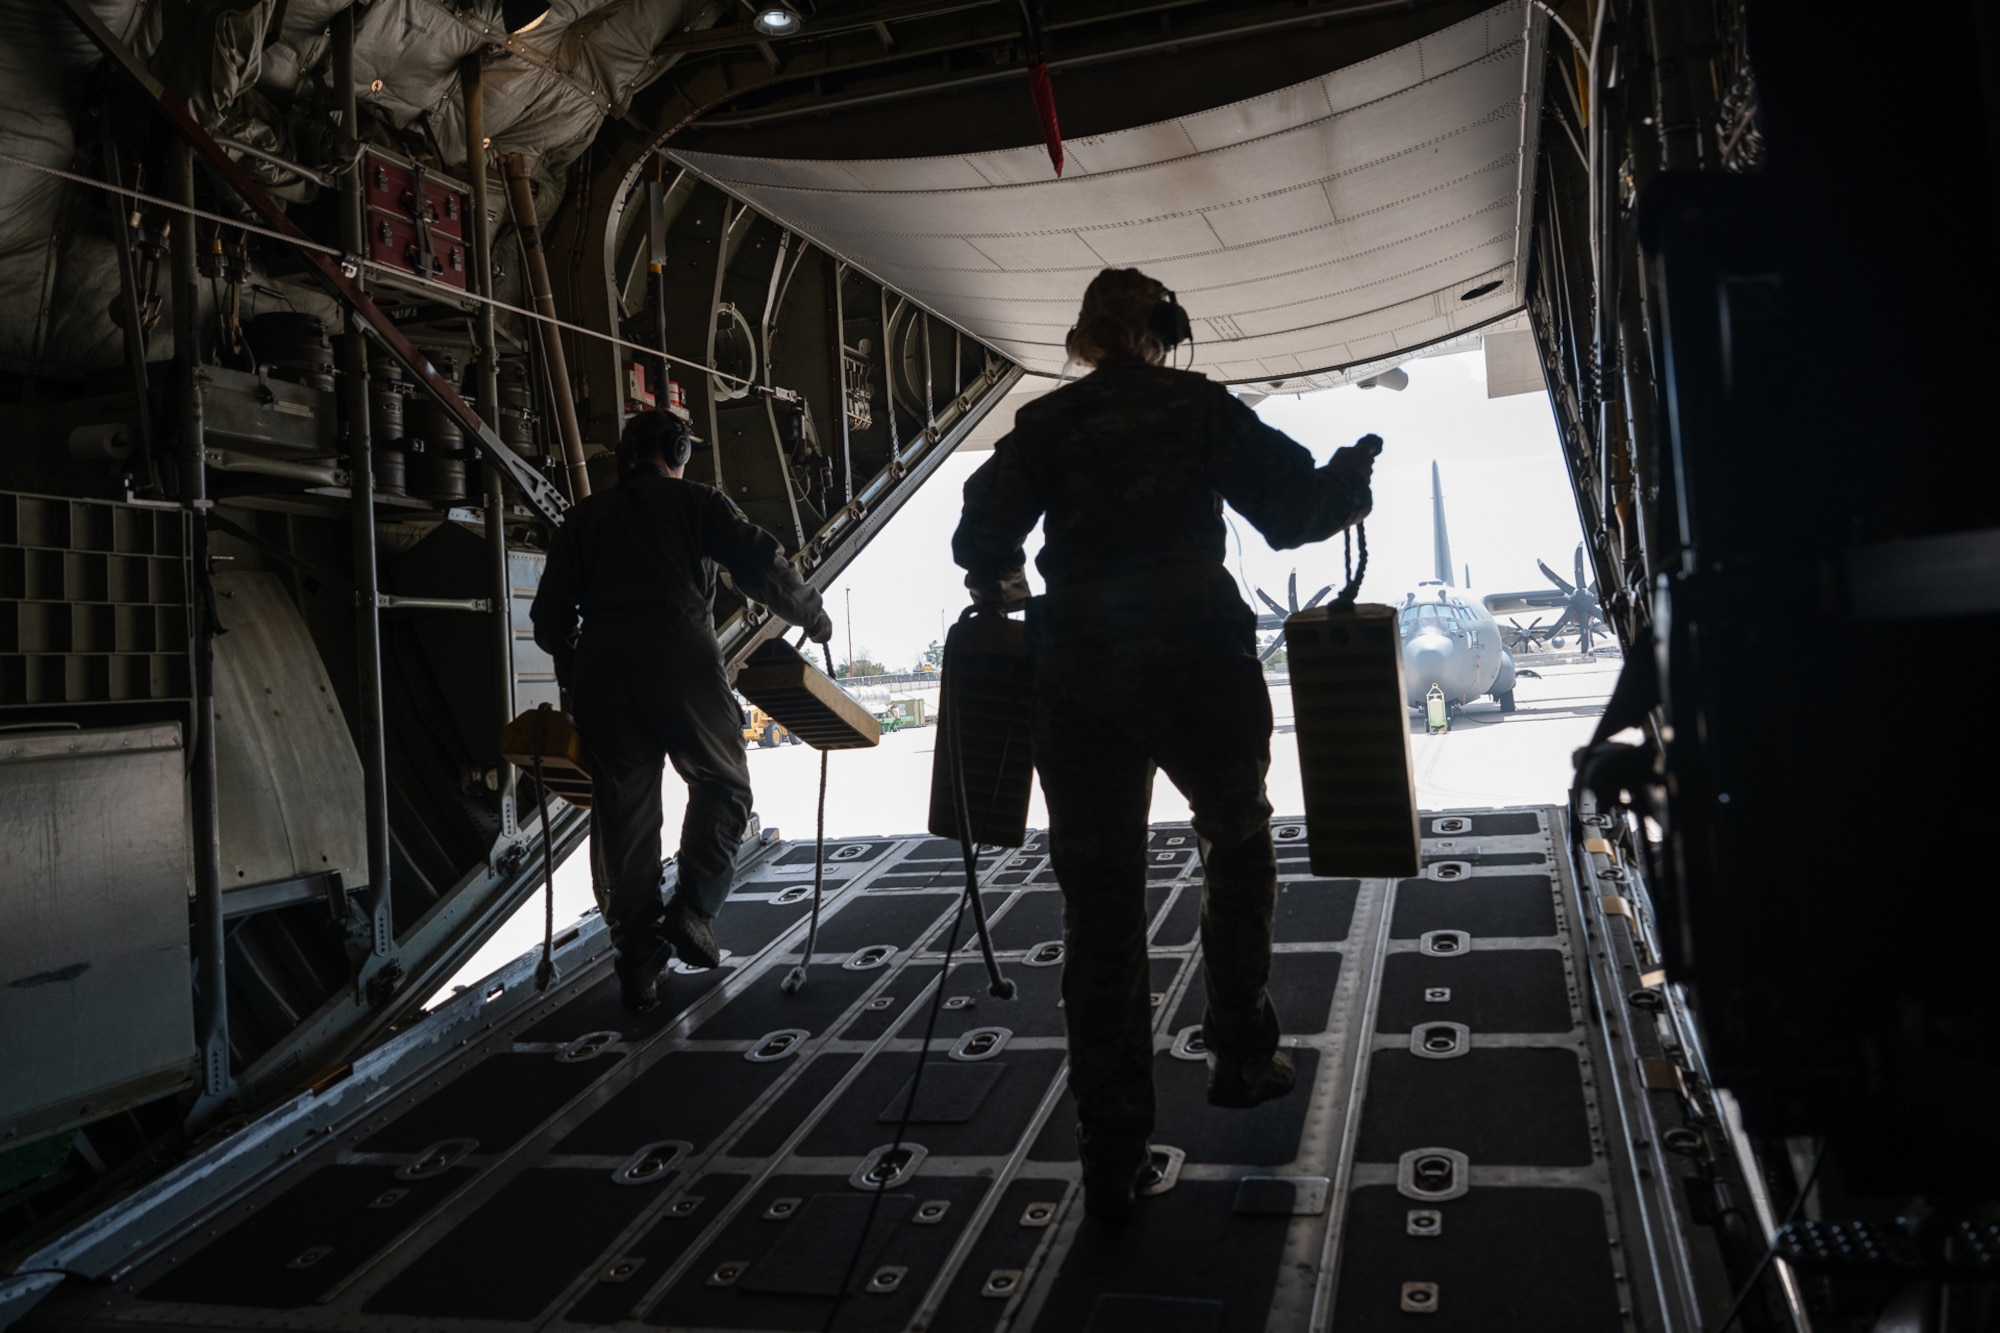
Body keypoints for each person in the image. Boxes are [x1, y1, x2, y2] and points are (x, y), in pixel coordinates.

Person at [951, 267, 1378, 1218]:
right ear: (1167, 327)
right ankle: (1238, 1047)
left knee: (1098, 918)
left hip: (1080, 678)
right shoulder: (1196, 406)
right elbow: (1296, 515)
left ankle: (1112, 1154)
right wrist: (1352, 473)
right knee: (1237, 840)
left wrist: (1007, 584)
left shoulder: (1047, 426)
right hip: (1196, 661)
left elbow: (981, 534)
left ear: (1086, 338)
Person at [532, 411, 833, 1011]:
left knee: (624, 814)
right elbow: (760, 564)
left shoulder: (582, 520)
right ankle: (694, 910)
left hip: (603, 670)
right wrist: (812, 614)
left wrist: (582, 672)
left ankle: (638, 966)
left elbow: (548, 622)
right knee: (723, 784)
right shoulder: (695, 501)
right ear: (678, 450)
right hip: (681, 656)